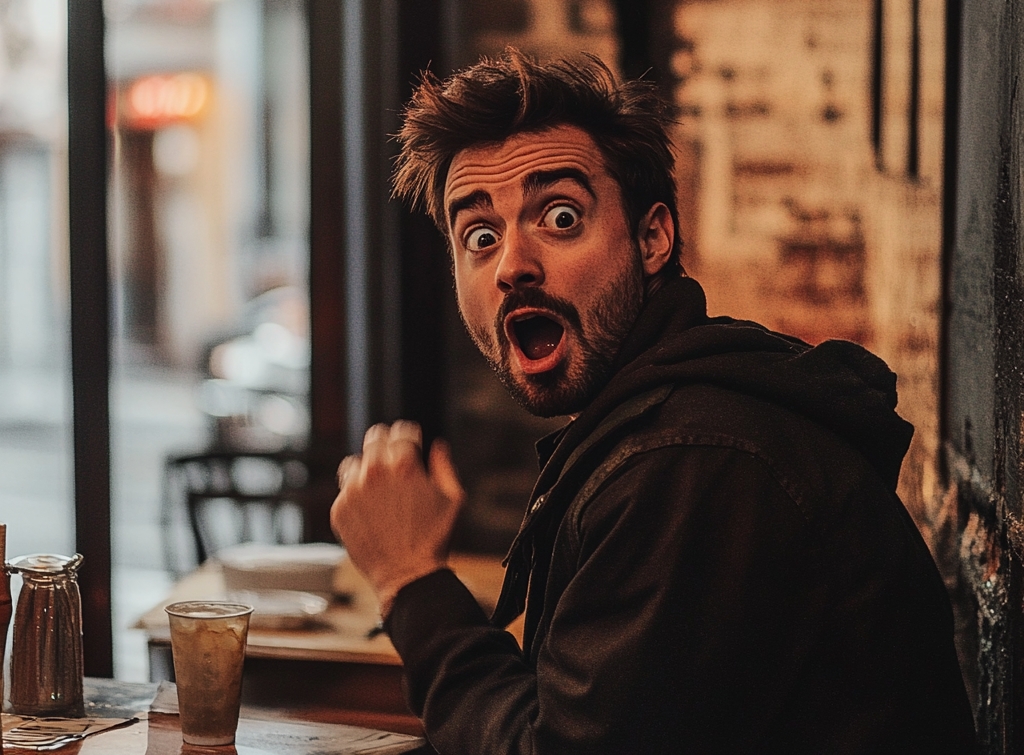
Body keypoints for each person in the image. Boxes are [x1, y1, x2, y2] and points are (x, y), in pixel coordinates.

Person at [330, 48, 976, 754]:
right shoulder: (664, 429)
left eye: (562, 218)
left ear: (652, 238)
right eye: (479, 236)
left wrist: (408, 578)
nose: (512, 264)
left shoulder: (694, 461)